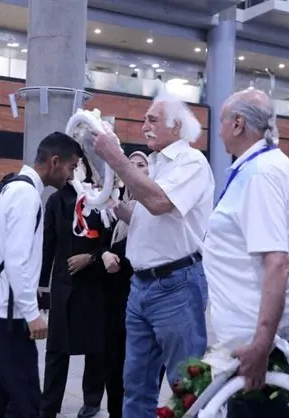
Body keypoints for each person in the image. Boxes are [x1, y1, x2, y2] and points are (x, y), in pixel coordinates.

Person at [93, 92, 213, 416]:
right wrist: (114, 204)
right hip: (142, 285)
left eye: (152, 119)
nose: (144, 126)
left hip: (177, 284)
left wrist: (117, 158)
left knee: (188, 387)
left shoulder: (192, 162)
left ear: (176, 125)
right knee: (136, 385)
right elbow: (146, 217)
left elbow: (160, 203)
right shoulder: (157, 165)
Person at [203, 89, 289, 418]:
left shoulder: (261, 174)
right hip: (253, 328)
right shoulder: (258, 167)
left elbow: (277, 263)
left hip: (268, 335)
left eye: (222, 122)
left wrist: (262, 344)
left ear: (238, 123)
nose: (218, 131)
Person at [0, 132, 82, 418]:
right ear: (55, 161)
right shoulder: (26, 195)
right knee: (26, 401)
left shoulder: (13, 185)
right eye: (71, 167)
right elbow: (16, 261)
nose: (71, 176)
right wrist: (32, 314)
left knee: (1, 397)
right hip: (6, 316)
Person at [101, 150, 164, 418]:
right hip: (115, 299)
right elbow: (100, 242)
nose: (135, 168)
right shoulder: (116, 207)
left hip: (144, 295)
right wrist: (103, 253)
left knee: (143, 369)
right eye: (131, 164)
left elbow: (144, 238)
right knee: (114, 364)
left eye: (142, 165)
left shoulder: (154, 208)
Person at [39, 177, 109, 418]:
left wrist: (91, 257)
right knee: (57, 346)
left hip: (95, 283)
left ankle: (92, 400)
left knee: (96, 346)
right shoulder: (56, 200)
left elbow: (109, 241)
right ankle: (49, 404)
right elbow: (48, 243)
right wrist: (42, 284)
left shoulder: (99, 199)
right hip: (63, 283)